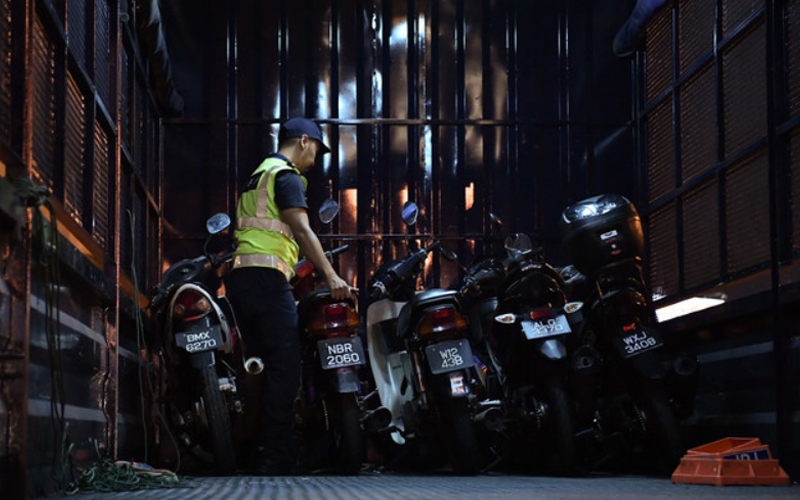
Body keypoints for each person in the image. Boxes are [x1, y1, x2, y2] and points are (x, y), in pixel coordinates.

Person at [227, 117, 352, 475]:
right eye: (316, 150)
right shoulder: (286, 176)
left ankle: (251, 452)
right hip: (267, 279)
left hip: (242, 277)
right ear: (303, 141)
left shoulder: (258, 175)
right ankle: (278, 455)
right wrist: (331, 276)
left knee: (257, 368)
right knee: (285, 366)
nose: (314, 160)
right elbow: (302, 229)